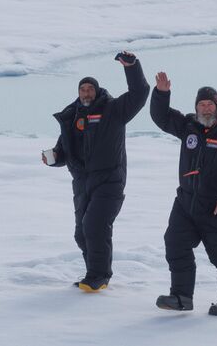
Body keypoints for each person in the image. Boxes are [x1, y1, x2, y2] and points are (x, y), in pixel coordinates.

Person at [42, 51, 150, 292]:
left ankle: (98, 276)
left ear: (97, 91)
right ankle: (93, 272)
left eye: (90, 89)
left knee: (94, 226)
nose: (87, 93)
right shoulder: (72, 117)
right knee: (81, 233)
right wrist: (53, 158)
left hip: (110, 180)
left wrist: (131, 67)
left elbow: (139, 94)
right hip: (82, 182)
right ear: (78, 93)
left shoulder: (113, 110)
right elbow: (64, 151)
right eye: (83, 90)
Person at [150, 72, 217, 315]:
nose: (206, 109)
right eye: (201, 105)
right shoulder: (189, 127)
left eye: (209, 104)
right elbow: (162, 117)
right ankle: (182, 296)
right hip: (186, 203)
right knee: (175, 244)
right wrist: (162, 94)